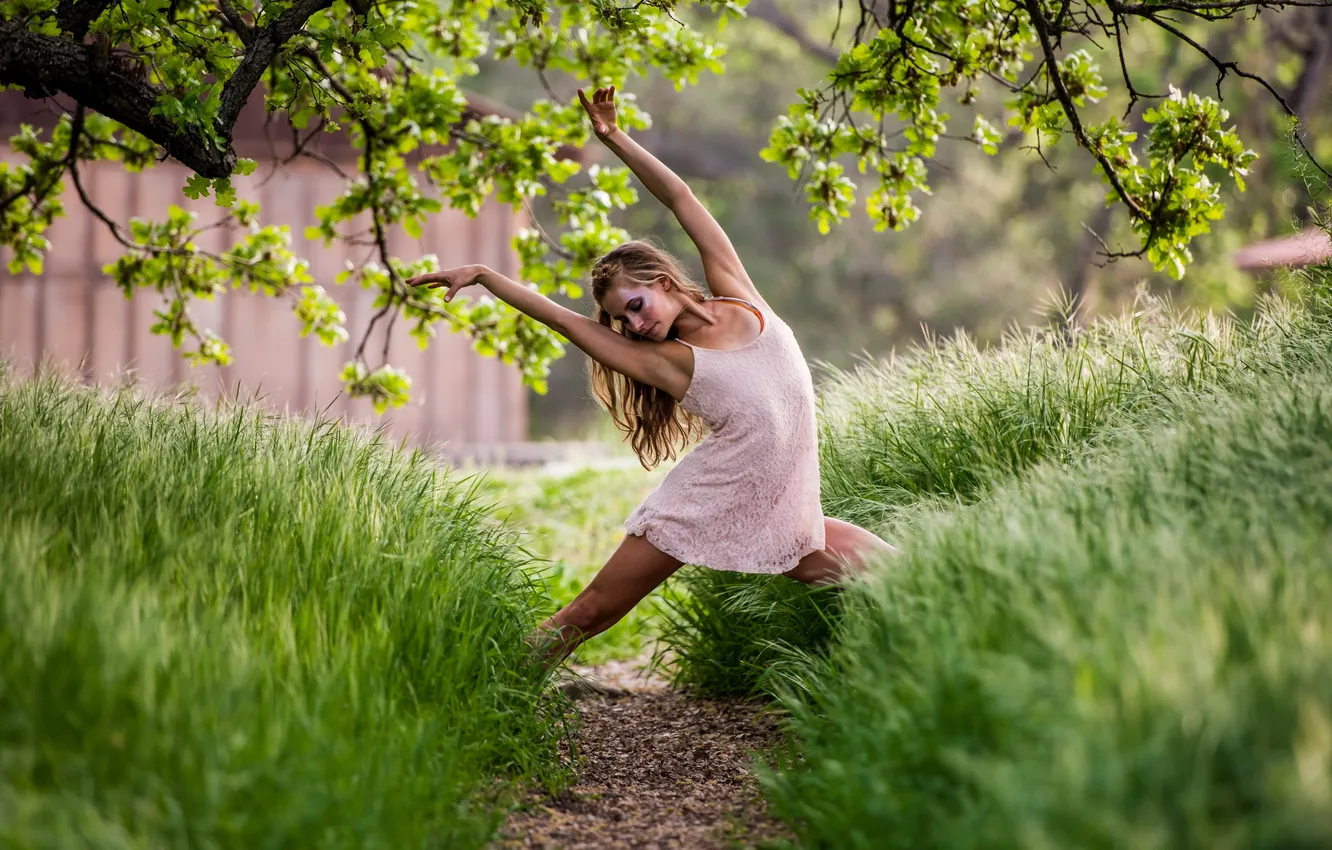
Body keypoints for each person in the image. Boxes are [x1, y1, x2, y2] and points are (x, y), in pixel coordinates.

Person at [407, 85, 896, 673]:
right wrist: (486, 276)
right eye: (621, 319)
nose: (632, 326)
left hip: (781, 511)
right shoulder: (666, 361)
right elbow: (564, 321)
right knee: (589, 613)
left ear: (663, 281)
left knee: (903, 573)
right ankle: (481, 690)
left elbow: (681, 199)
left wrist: (614, 138)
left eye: (634, 305)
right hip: (701, 500)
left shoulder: (741, 295)